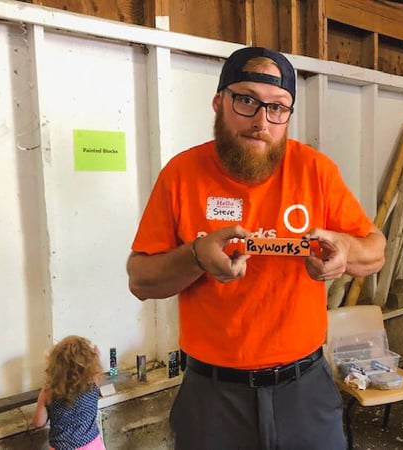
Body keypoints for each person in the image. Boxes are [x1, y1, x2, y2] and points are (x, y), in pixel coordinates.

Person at [127, 46, 386, 450]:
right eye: (246, 101)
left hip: (304, 391)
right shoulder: (181, 174)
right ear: (219, 102)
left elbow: (375, 250)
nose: (261, 121)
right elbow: (140, 279)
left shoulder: (315, 171)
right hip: (213, 397)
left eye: (278, 108)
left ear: (288, 115)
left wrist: (343, 252)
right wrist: (195, 256)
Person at [32, 335, 105, 450]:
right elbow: (97, 372)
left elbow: (38, 422)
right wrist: (97, 357)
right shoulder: (93, 383)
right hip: (93, 446)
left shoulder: (49, 392)